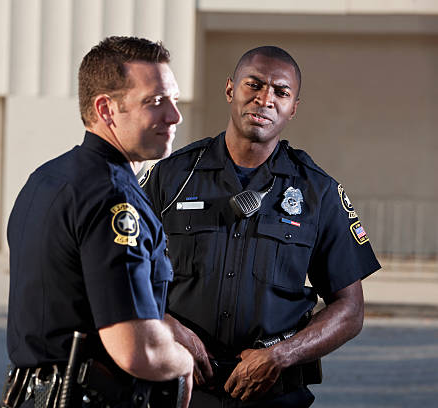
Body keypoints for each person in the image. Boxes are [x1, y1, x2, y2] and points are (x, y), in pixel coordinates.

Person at [142, 46, 381, 407]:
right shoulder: (172, 176)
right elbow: (121, 274)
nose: (265, 99)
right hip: (179, 388)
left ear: (293, 108)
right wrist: (166, 325)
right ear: (230, 90)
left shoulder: (318, 192)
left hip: (273, 392)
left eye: (281, 92)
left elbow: (349, 310)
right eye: (254, 85)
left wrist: (281, 356)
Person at [3, 36, 194, 408]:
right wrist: (182, 360)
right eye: (155, 102)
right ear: (106, 109)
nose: (174, 116)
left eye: (174, 100)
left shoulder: (47, 178)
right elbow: (136, 352)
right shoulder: (114, 199)